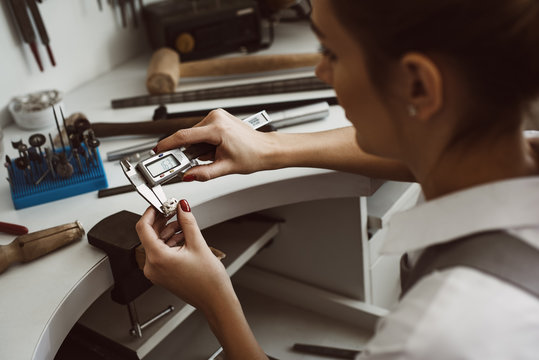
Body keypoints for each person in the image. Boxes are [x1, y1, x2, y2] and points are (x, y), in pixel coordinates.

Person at [135, 0, 539, 358]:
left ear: (417, 84)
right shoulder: (500, 151)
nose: (320, 70)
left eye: (331, 51)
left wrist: (212, 298)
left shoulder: (435, 336)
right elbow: (425, 147)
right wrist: (269, 149)